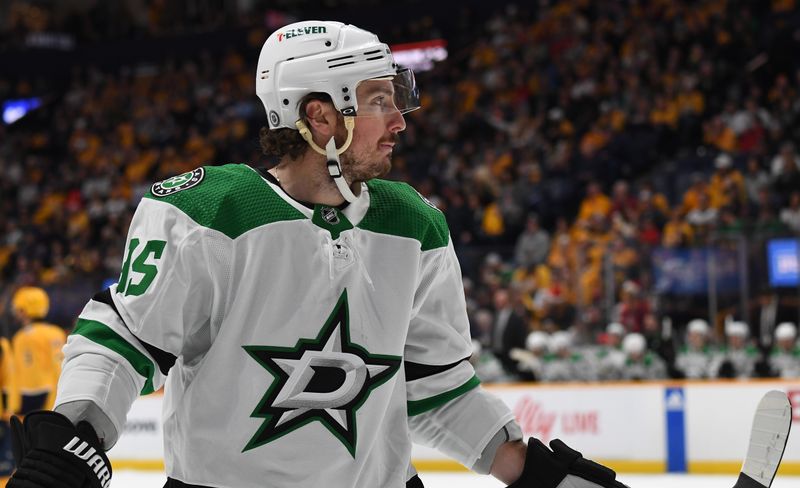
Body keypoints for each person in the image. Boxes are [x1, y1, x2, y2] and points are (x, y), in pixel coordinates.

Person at [8, 21, 627, 488]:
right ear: (320, 116)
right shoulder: (210, 211)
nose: (400, 120)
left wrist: (528, 471)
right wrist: (73, 435)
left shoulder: (414, 223)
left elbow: (436, 390)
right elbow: (124, 338)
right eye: (381, 99)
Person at [9, 287, 64, 414]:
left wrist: (12, 407)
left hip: (28, 398)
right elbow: (59, 368)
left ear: (23, 311)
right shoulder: (56, 332)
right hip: (53, 394)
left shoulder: (21, 337)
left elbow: (16, 374)